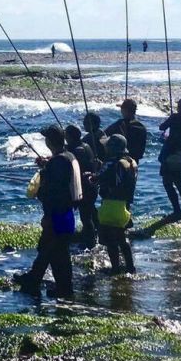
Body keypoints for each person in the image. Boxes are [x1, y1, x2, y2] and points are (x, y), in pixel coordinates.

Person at [14, 126, 81, 298]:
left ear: (50, 141)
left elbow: (54, 192)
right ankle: (39, 281)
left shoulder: (58, 162)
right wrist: (47, 165)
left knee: (53, 250)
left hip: (57, 214)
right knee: (53, 250)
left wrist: (48, 215)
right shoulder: (69, 156)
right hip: (67, 213)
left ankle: (61, 288)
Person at [97, 134, 138, 274]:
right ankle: (130, 267)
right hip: (125, 205)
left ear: (113, 148)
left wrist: (95, 171)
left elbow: (99, 179)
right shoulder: (130, 161)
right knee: (121, 237)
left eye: (108, 146)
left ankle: (115, 268)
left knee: (110, 239)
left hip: (111, 204)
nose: (106, 148)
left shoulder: (112, 163)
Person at [65, 125, 98, 249]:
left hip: (85, 187)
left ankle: (90, 242)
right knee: (91, 211)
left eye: (66, 135)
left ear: (70, 136)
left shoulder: (78, 150)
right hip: (91, 186)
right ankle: (98, 233)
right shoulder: (85, 145)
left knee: (86, 216)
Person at [105, 98, 148, 165]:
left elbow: (105, 134)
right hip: (134, 163)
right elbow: (141, 152)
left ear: (124, 110)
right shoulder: (142, 127)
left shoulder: (120, 124)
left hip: (120, 162)